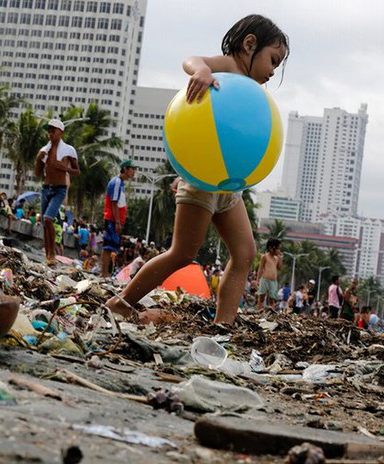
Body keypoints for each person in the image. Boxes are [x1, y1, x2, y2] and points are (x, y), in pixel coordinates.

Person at [105, 14, 289, 325]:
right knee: (182, 253)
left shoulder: (252, 95)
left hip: (230, 188)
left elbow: (236, 136)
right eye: (273, 60)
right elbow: (192, 60)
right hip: (202, 181)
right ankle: (120, 301)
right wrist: (202, 71)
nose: (273, 71)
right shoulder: (228, 67)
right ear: (249, 44)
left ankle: (223, 326)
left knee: (244, 253)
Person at [34, 118, 80, 266]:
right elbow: (37, 173)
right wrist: (38, 160)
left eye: (53, 130)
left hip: (59, 189)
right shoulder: (44, 151)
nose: (50, 133)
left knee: (48, 219)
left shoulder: (69, 150)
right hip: (46, 188)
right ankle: (48, 255)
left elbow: (77, 171)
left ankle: (52, 253)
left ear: (60, 132)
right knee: (44, 222)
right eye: (49, 130)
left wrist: (63, 168)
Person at [101, 159, 137, 277]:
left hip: (115, 220)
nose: (134, 172)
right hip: (112, 219)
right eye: (132, 169)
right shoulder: (116, 182)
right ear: (125, 169)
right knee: (108, 247)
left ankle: (106, 273)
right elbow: (114, 202)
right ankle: (104, 273)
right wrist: (117, 222)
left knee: (112, 247)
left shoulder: (120, 183)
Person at [257, 238, 283, 309]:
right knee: (261, 298)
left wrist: (280, 259)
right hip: (264, 279)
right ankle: (259, 312)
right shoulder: (265, 257)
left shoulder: (276, 258)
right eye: (277, 249)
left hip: (273, 281)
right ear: (271, 248)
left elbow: (279, 268)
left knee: (272, 299)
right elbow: (260, 269)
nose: (278, 251)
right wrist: (258, 280)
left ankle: (271, 313)